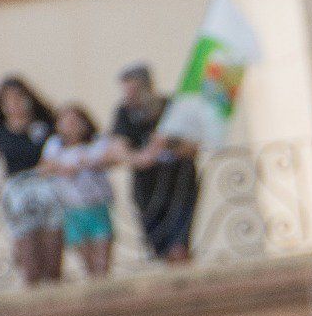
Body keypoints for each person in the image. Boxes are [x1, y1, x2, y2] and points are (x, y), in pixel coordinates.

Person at [111, 64, 199, 263]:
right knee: (158, 244)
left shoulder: (171, 107)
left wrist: (167, 145)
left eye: (134, 90)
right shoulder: (124, 113)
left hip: (179, 182)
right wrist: (142, 157)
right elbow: (119, 148)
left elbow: (192, 146)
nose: (129, 96)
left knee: (178, 241)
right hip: (147, 186)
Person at [0, 75, 62, 286]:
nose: (15, 104)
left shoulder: (45, 127)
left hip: (46, 190)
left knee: (52, 258)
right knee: (28, 258)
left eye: (19, 97)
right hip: (18, 193)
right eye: (8, 100)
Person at [40, 104, 116, 278]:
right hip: (72, 209)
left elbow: (108, 158)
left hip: (97, 206)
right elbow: (44, 168)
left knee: (102, 263)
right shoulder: (54, 145)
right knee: (88, 264)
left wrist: (87, 163)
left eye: (75, 121)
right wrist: (61, 169)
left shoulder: (96, 142)